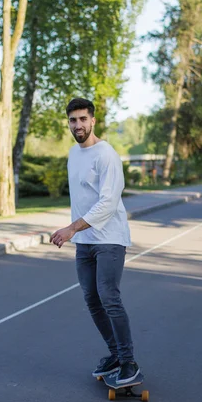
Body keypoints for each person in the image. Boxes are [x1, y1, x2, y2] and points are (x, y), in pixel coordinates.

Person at [50, 98, 140, 385]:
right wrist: (76, 232)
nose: (78, 125)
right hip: (85, 241)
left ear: (93, 121)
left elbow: (108, 203)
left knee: (109, 298)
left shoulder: (106, 155)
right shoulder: (73, 154)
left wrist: (71, 229)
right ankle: (115, 354)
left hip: (110, 238)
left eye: (83, 119)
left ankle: (129, 363)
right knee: (92, 299)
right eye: (73, 120)